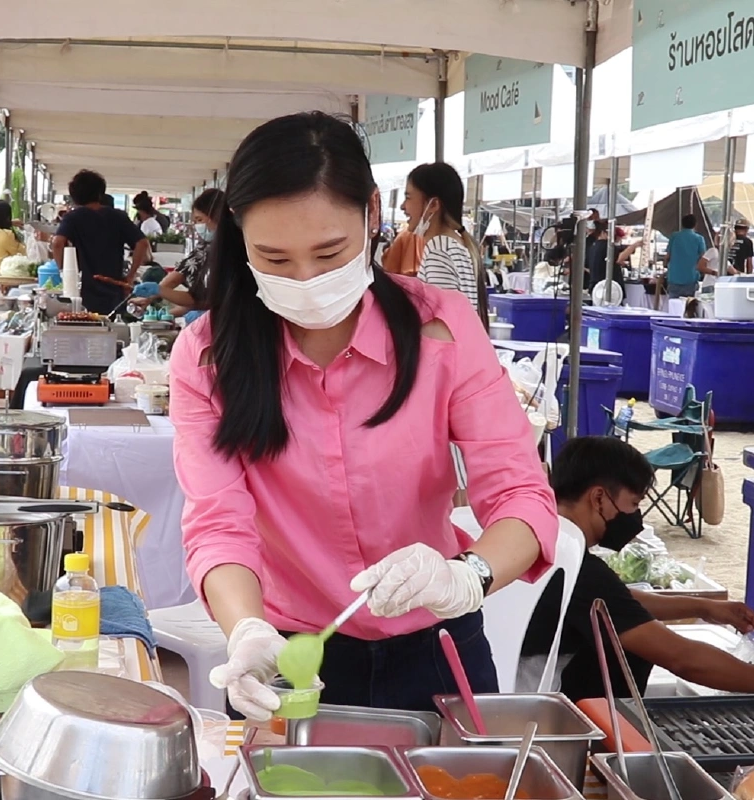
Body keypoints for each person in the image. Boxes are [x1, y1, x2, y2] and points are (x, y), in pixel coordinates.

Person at [172, 111, 557, 721]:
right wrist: (245, 629)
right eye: (273, 259)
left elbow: (518, 493)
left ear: (373, 214)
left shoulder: (442, 328)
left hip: (437, 649)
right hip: (290, 661)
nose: (306, 282)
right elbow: (218, 522)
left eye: (330, 253)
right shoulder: (207, 357)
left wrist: (470, 575)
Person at [522, 436, 754, 700]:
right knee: (633, 648)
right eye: (634, 503)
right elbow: (683, 659)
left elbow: (614, 602)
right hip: (534, 704)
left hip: (509, 688)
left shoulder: (542, 539)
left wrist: (703, 607)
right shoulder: (579, 568)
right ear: (599, 498)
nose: (636, 516)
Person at [52, 170, 150, 315]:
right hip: (113, 288)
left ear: (74, 196)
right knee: (110, 330)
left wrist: (64, 272)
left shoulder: (72, 218)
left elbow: (57, 243)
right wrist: (130, 276)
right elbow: (142, 243)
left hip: (82, 290)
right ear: (100, 193)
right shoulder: (118, 216)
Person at [403, 162, 486, 322]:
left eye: (408, 197)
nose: (403, 206)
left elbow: (443, 323)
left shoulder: (438, 250)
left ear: (433, 204)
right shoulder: (457, 244)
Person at [133, 188, 225, 317]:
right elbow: (181, 272)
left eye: (199, 220)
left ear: (216, 217)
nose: (197, 226)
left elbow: (198, 299)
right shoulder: (204, 246)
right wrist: (152, 298)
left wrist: (159, 291)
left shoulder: (229, 251)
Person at [662, 215, 707, 298]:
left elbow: (667, 256)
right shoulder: (699, 239)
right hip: (691, 278)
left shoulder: (674, 236)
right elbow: (703, 257)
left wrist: (665, 265)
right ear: (695, 225)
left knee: (674, 306)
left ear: (682, 224)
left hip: (674, 278)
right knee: (689, 307)